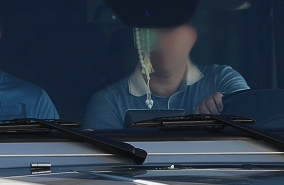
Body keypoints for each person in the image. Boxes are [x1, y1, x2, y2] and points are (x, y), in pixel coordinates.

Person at [81, 22, 248, 130]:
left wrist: (223, 104)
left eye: (171, 30)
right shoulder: (109, 102)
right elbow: (107, 164)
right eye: (152, 32)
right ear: (138, 38)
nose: (162, 41)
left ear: (191, 37)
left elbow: (252, 118)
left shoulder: (221, 79)